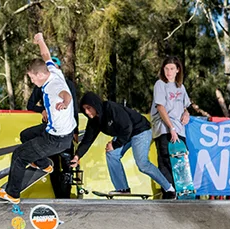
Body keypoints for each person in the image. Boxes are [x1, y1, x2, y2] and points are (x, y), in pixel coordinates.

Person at [0, 33, 76, 204]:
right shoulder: (53, 70)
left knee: (19, 155)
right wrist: (41, 40)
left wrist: (65, 102)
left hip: (56, 139)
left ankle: (12, 194)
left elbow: (65, 94)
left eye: (31, 77)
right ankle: (44, 164)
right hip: (60, 133)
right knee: (26, 135)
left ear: (39, 75)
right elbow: (46, 56)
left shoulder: (54, 86)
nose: (31, 81)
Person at [72, 92, 175, 198]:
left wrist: (115, 144)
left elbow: (127, 127)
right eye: (84, 110)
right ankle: (122, 188)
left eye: (89, 108)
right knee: (111, 153)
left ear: (95, 104)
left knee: (142, 164)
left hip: (140, 130)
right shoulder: (94, 121)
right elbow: (87, 140)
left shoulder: (111, 108)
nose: (87, 112)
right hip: (126, 135)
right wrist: (77, 156)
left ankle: (169, 189)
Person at [26, 57, 79, 199]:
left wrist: (76, 131)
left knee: (67, 165)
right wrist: (41, 110)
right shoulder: (42, 85)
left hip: (67, 130)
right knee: (54, 165)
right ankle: (58, 196)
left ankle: (66, 197)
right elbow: (30, 104)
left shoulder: (65, 84)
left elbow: (73, 106)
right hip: (51, 130)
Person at [151, 56, 192, 191]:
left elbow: (185, 107)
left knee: (180, 164)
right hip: (165, 129)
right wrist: (171, 128)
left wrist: (186, 114)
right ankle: (168, 193)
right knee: (166, 163)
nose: (169, 72)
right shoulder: (160, 84)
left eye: (172, 69)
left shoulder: (181, 87)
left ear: (177, 70)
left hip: (179, 130)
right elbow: (160, 107)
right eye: (166, 68)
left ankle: (181, 193)